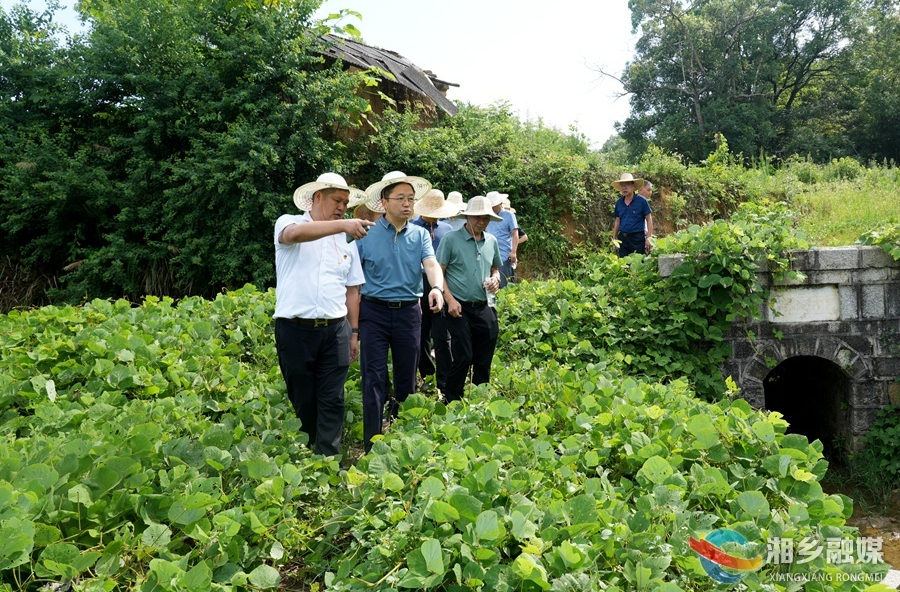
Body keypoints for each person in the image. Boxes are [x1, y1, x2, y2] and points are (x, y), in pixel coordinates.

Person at [272, 172, 373, 457]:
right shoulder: (290, 222)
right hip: (295, 329)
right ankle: (308, 450)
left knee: (332, 398)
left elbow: (352, 290)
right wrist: (343, 225)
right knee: (303, 396)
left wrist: (354, 332)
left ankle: (328, 459)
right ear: (317, 197)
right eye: (336, 200)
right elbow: (292, 236)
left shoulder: (346, 241)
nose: (342, 207)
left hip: (335, 330)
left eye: (346, 203)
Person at [357, 171, 445, 452]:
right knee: (373, 377)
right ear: (384, 202)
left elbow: (431, 264)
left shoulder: (420, 235)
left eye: (411, 198)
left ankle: (401, 441)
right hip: (373, 312)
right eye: (400, 198)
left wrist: (436, 288)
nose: (407, 204)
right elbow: (351, 278)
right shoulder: (365, 234)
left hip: (408, 313)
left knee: (407, 378)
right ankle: (372, 444)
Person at [433, 196, 502, 403]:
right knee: (463, 355)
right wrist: (450, 300)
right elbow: (438, 272)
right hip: (459, 305)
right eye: (477, 217)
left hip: (483, 304)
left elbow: (495, 268)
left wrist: (496, 279)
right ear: (467, 217)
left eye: (486, 218)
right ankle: (452, 398)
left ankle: (480, 399)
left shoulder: (491, 241)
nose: (482, 221)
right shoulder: (451, 240)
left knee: (485, 353)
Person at [410, 189, 456, 387]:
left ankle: (444, 381)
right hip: (418, 281)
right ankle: (427, 374)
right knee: (421, 332)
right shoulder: (412, 227)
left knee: (442, 334)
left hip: (441, 283)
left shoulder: (447, 229)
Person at [611, 173, 654, 257]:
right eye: (622, 185)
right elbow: (617, 220)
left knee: (638, 262)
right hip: (623, 239)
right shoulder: (619, 203)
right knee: (624, 263)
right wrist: (614, 238)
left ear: (633, 186)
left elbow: (649, 219)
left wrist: (649, 238)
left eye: (627, 185)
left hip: (637, 239)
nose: (624, 188)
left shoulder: (642, 201)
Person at [485, 190, 519, 288]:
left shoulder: (509, 215)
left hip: (504, 256)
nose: (492, 208)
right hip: (489, 256)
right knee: (490, 286)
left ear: (500, 203)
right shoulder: (487, 216)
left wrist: (513, 252)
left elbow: (515, 233)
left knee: (504, 286)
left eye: (494, 206)